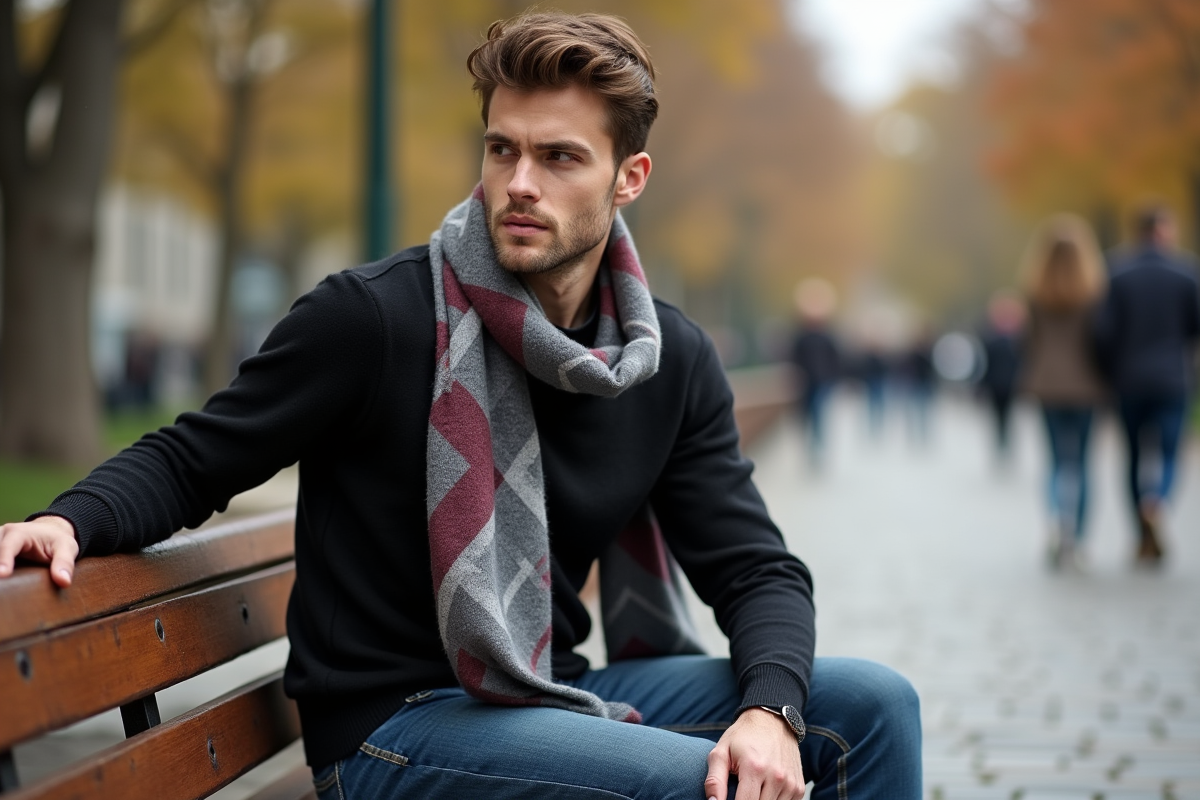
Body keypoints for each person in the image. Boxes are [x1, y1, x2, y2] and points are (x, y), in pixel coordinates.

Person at [0, 12, 921, 800]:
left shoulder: (665, 360)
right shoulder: (375, 321)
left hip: (546, 691)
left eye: (560, 157)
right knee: (699, 784)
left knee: (871, 708)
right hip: (394, 727)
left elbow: (757, 570)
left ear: (628, 178)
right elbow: (197, 456)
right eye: (502, 149)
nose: (520, 183)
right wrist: (70, 517)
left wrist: (769, 710)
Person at [1097, 205, 1200, 565]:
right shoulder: (1186, 273)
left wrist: (1109, 369)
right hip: (1173, 378)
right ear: (1161, 231)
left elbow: (1103, 332)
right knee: (1171, 452)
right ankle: (1156, 501)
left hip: (1129, 379)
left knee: (1133, 456)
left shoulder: (1115, 273)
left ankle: (1140, 535)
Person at [1018, 215, 1108, 571]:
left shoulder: (1035, 293)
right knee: (1084, 463)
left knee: (1056, 462)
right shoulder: (1095, 293)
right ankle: (1080, 539)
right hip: (1088, 385)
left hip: (1047, 385)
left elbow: (1029, 342)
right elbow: (1102, 340)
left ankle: (1057, 522)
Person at [788, 278, 841, 469]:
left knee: (819, 416)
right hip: (806, 383)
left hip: (822, 383)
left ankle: (817, 449)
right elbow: (793, 358)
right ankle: (811, 449)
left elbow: (835, 359)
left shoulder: (827, 336)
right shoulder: (801, 335)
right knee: (807, 417)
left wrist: (832, 379)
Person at [978, 291, 1026, 464]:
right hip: (997, 385)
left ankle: (1005, 445)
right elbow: (985, 364)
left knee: (1008, 418)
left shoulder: (1019, 338)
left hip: (1011, 385)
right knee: (999, 418)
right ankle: (1001, 445)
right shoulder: (991, 338)